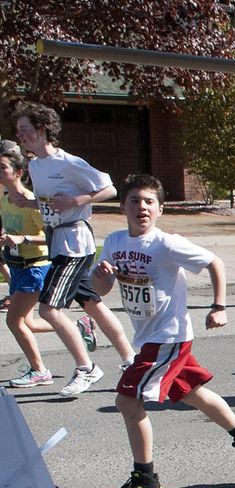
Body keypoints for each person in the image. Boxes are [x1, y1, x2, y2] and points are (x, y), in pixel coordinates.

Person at [90, 174, 235, 488]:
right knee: (193, 394)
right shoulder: (114, 242)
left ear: (159, 209)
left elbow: (214, 262)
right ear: (123, 207)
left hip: (168, 337)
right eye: (134, 201)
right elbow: (100, 291)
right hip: (149, 338)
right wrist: (102, 277)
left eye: (148, 202)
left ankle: (146, 478)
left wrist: (219, 306)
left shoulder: (165, 244)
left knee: (128, 402)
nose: (141, 207)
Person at [11, 101, 136, 396]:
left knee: (48, 309)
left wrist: (77, 201)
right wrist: (30, 203)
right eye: (18, 132)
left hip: (75, 242)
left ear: (42, 130)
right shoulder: (35, 165)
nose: (21, 137)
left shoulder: (69, 162)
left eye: (25, 130)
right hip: (57, 240)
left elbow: (110, 189)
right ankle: (131, 360)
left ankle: (86, 368)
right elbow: (50, 204)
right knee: (93, 304)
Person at [1, 139, 56, 388]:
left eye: (3, 167)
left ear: (19, 172)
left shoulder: (32, 202)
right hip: (17, 264)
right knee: (29, 323)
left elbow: (51, 235)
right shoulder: (4, 199)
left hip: (36, 265)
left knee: (13, 320)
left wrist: (23, 238)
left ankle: (39, 370)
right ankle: (78, 327)